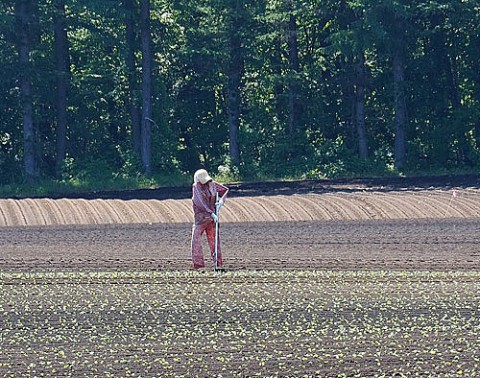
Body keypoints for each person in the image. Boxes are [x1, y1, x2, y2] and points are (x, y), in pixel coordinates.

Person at [191, 168, 229, 270]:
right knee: (214, 240)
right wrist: (213, 213)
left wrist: (220, 202)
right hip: (212, 217)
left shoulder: (197, 186)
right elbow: (225, 190)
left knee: (196, 241)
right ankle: (218, 264)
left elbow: (199, 202)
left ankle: (200, 266)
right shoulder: (212, 184)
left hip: (202, 219)